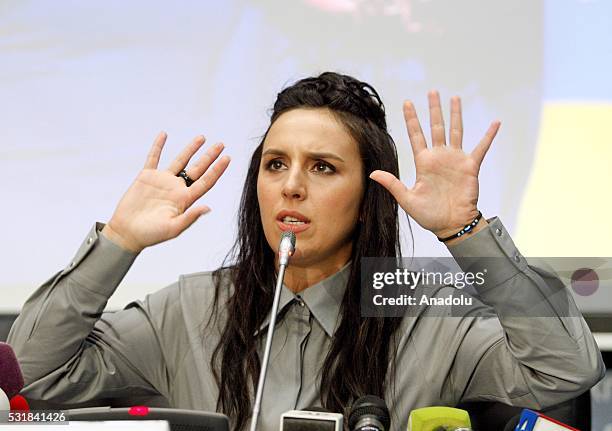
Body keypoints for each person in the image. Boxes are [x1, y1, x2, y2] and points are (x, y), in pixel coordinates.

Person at [8, 72, 604, 431]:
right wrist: (118, 242)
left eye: (322, 167)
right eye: (275, 165)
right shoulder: (186, 309)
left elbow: (565, 373)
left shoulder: (425, 313)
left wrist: (467, 233)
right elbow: (29, 378)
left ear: (369, 195)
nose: (291, 185)